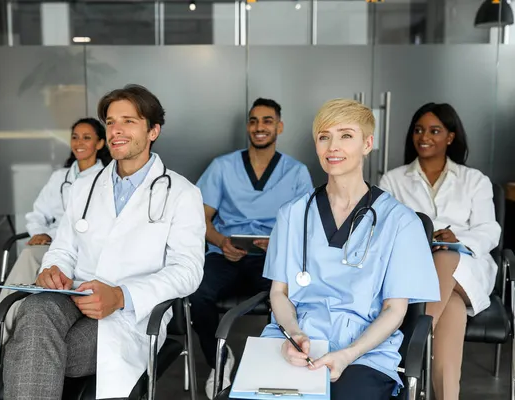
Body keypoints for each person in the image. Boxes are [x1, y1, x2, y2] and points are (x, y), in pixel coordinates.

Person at [2, 84, 206, 400]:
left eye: (129, 121)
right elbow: (63, 246)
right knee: (36, 307)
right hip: (73, 295)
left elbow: (188, 271)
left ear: (153, 131)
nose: (116, 130)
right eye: (111, 122)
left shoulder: (182, 194)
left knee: (33, 346)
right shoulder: (83, 187)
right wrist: (53, 268)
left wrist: (121, 295)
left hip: (129, 315)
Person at [260, 99, 440, 400]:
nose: (333, 146)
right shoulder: (292, 214)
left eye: (346, 135)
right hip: (295, 341)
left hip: (364, 352)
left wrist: (347, 354)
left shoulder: (400, 221)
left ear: (367, 144)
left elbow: (395, 310)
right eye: (324, 136)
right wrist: (294, 335)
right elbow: (279, 293)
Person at [0, 117, 110, 378]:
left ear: (100, 142)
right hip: (56, 250)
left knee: (30, 256)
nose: (79, 143)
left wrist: (52, 235)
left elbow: (89, 227)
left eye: (87, 137)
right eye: (75, 137)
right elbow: (37, 214)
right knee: (32, 255)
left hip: (85, 253)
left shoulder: (107, 179)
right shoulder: (60, 177)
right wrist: (40, 232)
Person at [191, 98, 313, 398]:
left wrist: (278, 243)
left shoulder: (296, 172)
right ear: (248, 126)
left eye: (267, 121)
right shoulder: (222, 167)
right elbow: (200, 218)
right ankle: (219, 362)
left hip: (272, 258)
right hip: (227, 254)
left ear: (279, 127)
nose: (260, 127)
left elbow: (306, 226)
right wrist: (221, 242)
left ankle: (275, 367)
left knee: (288, 300)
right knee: (196, 294)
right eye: (254, 121)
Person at [379, 102, 501, 400]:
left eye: (435, 130)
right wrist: (420, 238)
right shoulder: (392, 180)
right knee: (453, 311)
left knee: (444, 256)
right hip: (418, 270)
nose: (425, 136)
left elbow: (490, 230)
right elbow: (384, 231)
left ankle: (409, 343)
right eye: (419, 130)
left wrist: (458, 237)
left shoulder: (474, 180)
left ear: (450, 137)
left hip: (467, 267)